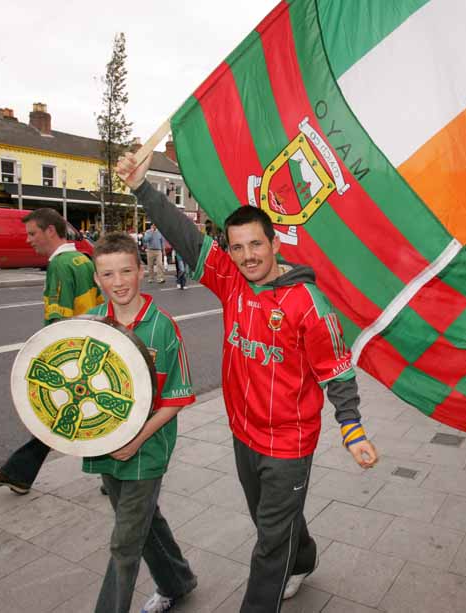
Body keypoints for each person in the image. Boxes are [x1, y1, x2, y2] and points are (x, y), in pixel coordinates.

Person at [116, 151, 379, 612]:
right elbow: (186, 237)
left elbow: (335, 368)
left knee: (269, 545)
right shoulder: (232, 281)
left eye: (255, 245)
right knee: (269, 521)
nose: (246, 256)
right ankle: (305, 557)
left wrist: (351, 426)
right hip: (244, 435)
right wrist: (141, 188)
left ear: (274, 243)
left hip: (289, 444)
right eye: (236, 247)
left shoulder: (306, 303)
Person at [84, 232, 197, 613]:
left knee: (124, 542)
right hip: (106, 447)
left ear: (142, 271)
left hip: (146, 450)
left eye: (126, 271)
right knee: (141, 521)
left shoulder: (162, 326)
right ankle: (177, 579)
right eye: (108, 274)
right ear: (97, 280)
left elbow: (177, 397)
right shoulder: (92, 324)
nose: (118, 282)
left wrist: (136, 440)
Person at [0, 208, 103, 494]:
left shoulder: (60, 265)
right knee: (68, 416)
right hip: (87, 346)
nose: (29, 240)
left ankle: (19, 473)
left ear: (51, 231)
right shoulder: (82, 260)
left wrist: (47, 357)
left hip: (70, 353)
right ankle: (20, 473)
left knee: (56, 416)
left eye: (33, 233)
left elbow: (57, 318)